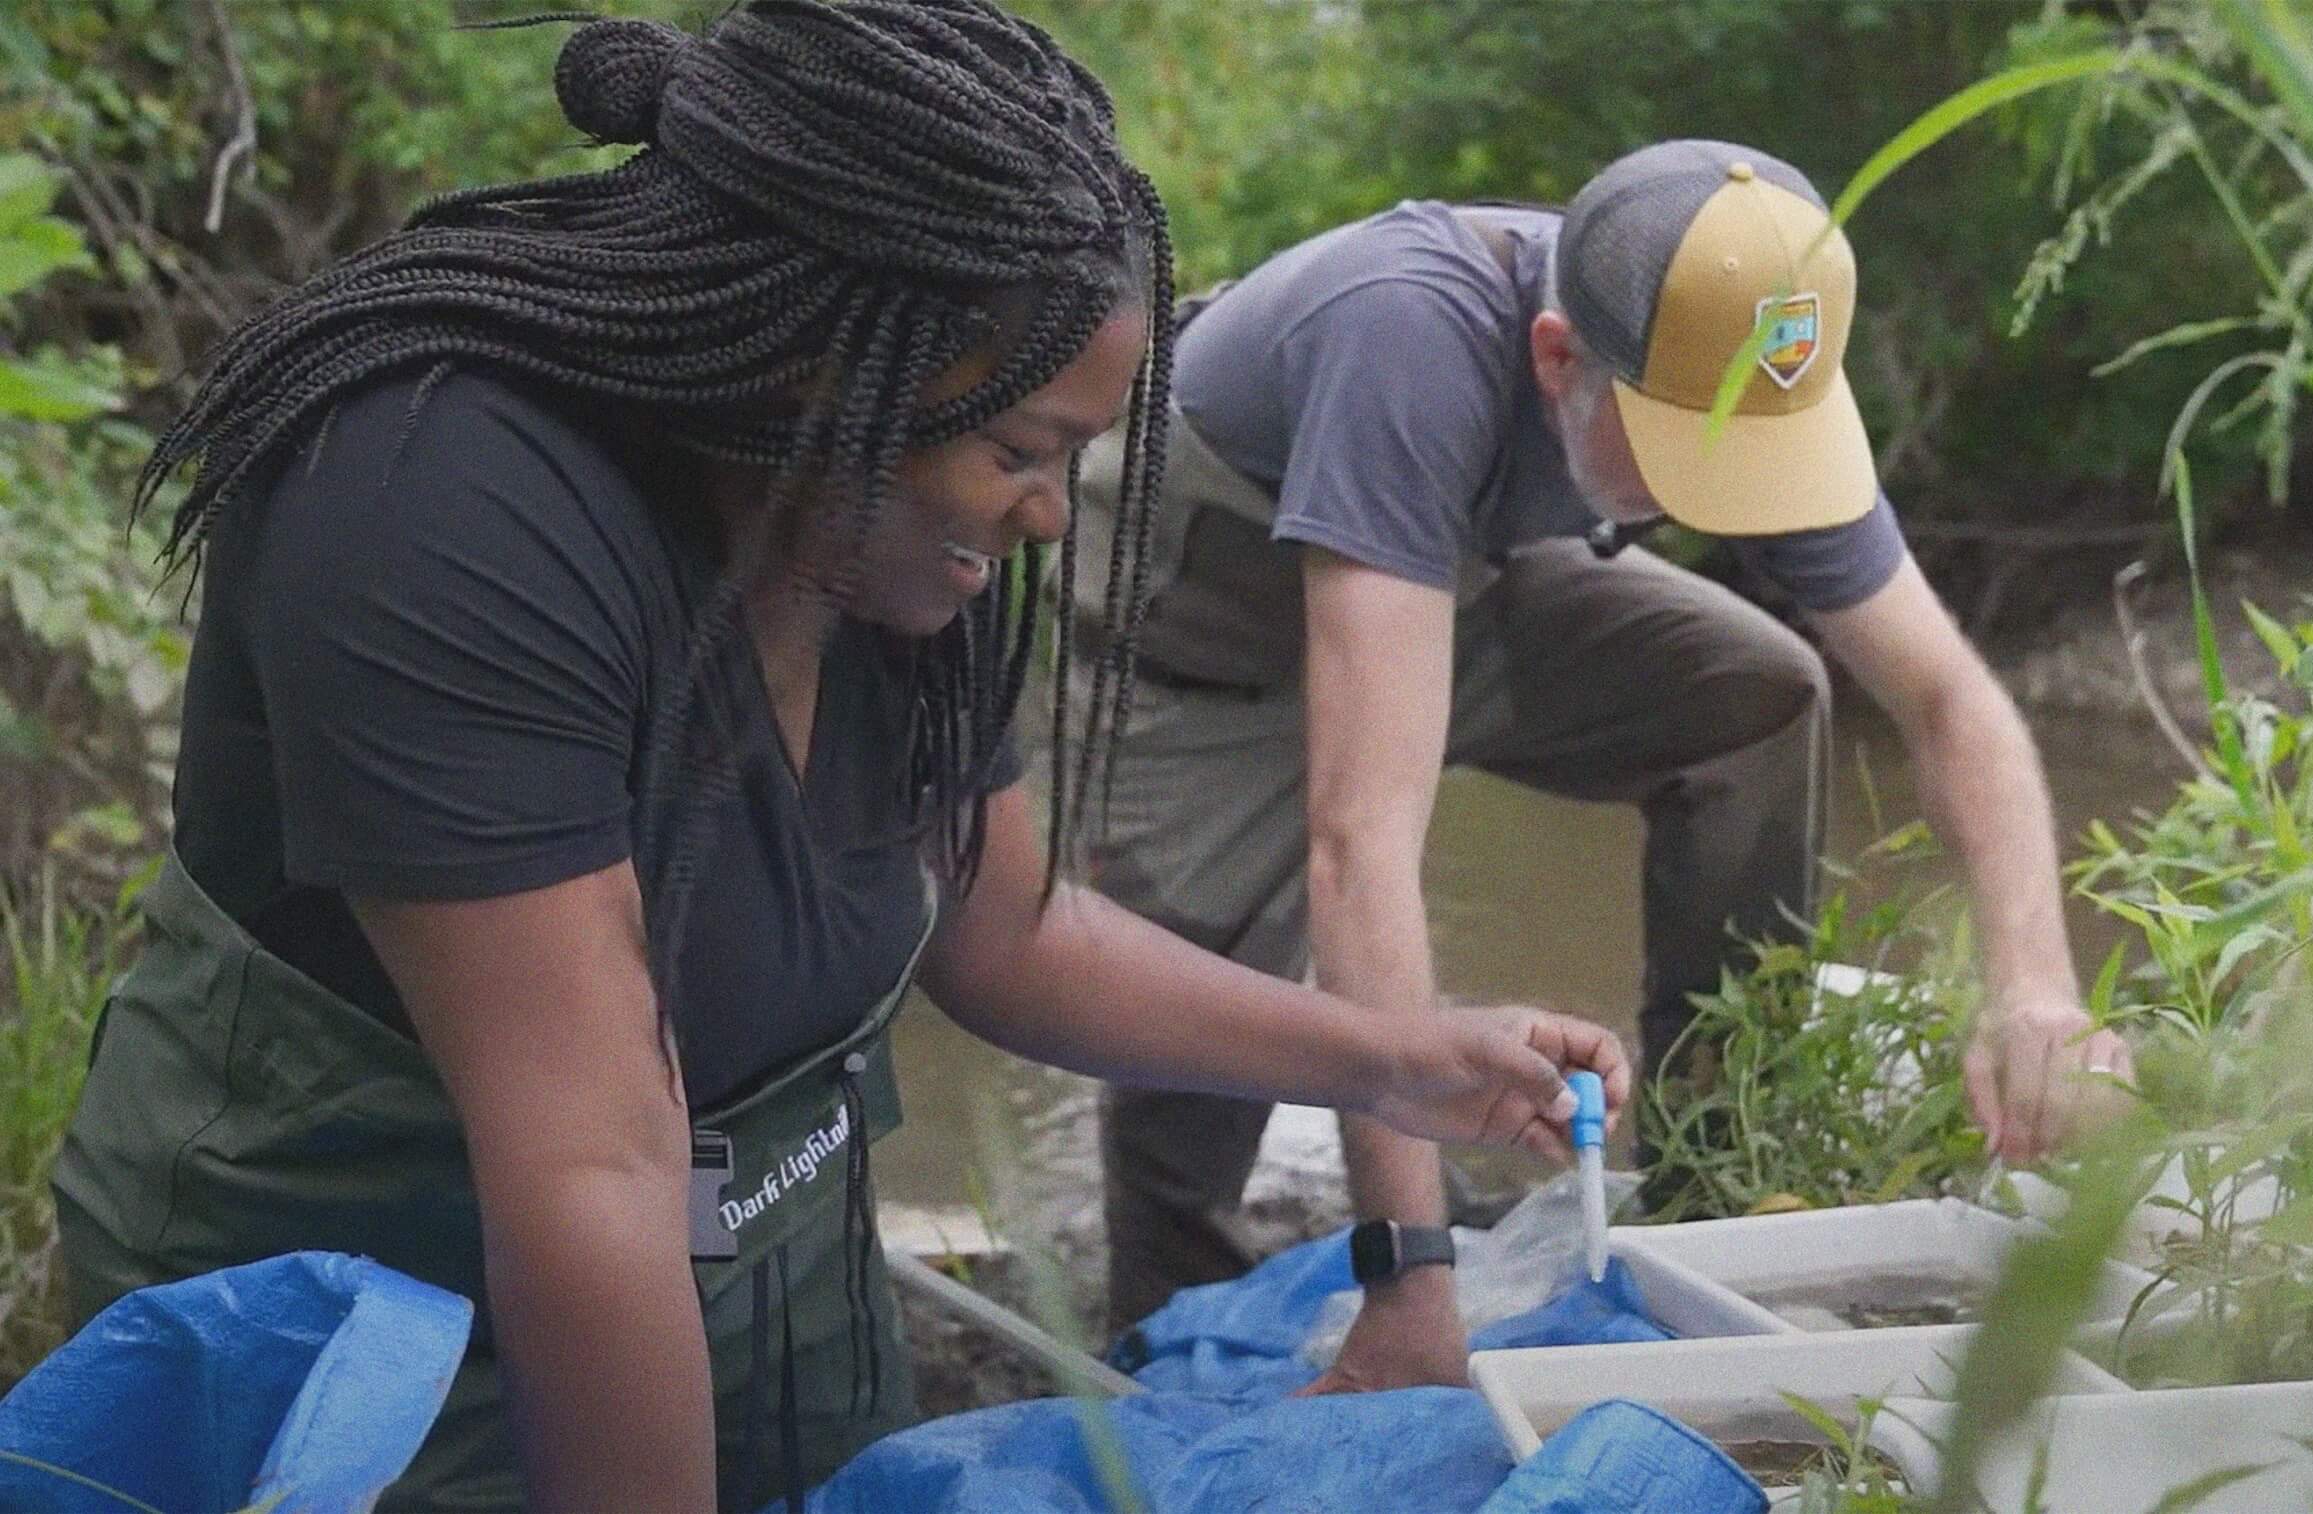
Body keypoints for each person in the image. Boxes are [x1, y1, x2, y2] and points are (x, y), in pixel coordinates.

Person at [48, 7, 1628, 1511]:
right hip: (375, 1348)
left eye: (1072, 451)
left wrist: (1397, 1055)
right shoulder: (436, 506)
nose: (1050, 513)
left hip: (757, 1299)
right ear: (824, 373)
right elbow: (594, 1164)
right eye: (1018, 454)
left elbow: (1011, 932)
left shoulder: (875, 538)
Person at [1069, 139, 2136, 1391]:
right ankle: (1159, 1348)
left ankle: (1711, 1172)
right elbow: (1362, 839)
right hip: (1203, 632)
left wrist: (2035, 991)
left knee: (1755, 693)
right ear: (1557, 357)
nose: (1724, 502)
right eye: (1690, 454)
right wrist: (1411, 1276)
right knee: (1199, 1027)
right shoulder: (1403, 334)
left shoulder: (1737, 348)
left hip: (1449, 585)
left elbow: (1955, 702)